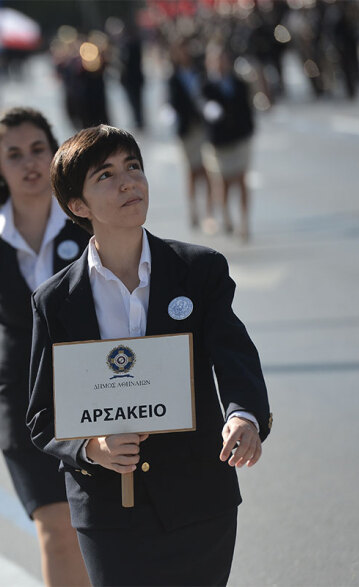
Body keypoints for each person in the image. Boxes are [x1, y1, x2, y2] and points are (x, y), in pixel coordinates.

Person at [26, 125, 271, 586]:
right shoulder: (54, 301)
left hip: (200, 499)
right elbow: (42, 416)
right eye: (106, 175)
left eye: (133, 167)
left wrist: (244, 416)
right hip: (108, 514)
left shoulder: (200, 271)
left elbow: (234, 355)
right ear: (78, 205)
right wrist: (91, 448)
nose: (128, 183)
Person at [0, 107, 91, 587]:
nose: (30, 162)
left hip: (94, 387)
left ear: (56, 153)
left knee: (97, 526)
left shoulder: (88, 223)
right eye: (13, 154)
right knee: (55, 528)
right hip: (19, 392)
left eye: (39, 149)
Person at [201, 43, 255, 241]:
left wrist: (249, 130)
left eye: (222, 58)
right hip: (219, 143)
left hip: (240, 139)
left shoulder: (239, 83)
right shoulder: (206, 86)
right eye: (215, 59)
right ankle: (226, 216)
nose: (220, 63)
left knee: (242, 181)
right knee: (222, 183)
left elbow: (247, 109)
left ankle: (244, 222)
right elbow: (201, 106)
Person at [168, 38, 213, 231]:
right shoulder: (173, 77)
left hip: (202, 127)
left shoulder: (200, 72)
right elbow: (172, 101)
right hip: (186, 129)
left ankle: (209, 211)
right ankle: (193, 209)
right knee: (192, 171)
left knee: (208, 169)